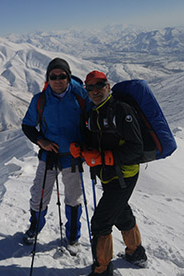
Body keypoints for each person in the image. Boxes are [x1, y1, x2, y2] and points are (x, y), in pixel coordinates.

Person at [70, 70, 148, 275]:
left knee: (100, 223)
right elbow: (94, 140)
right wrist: (81, 148)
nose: (95, 91)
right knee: (121, 213)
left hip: (124, 175)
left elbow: (136, 149)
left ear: (108, 86)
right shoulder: (93, 112)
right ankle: (136, 253)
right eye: (90, 87)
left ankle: (102, 270)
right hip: (109, 174)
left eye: (100, 85)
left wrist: (104, 158)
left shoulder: (122, 111)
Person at [21, 57, 90, 254]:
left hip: (73, 157)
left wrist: (85, 144)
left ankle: (72, 237)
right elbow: (27, 125)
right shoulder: (40, 100)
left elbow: (92, 122)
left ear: (68, 77)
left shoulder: (80, 97)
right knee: (38, 196)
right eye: (53, 76)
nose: (58, 80)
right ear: (48, 78)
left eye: (62, 76)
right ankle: (35, 228)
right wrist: (40, 141)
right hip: (49, 156)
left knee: (74, 199)